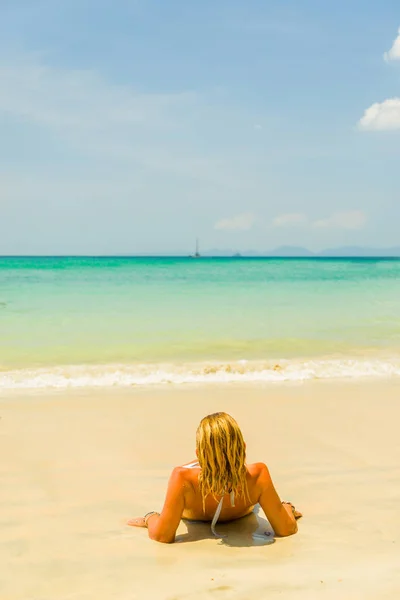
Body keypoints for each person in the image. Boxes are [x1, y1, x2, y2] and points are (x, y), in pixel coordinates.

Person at [128, 412, 302, 543]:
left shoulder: (182, 478)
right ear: (243, 447)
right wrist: (287, 508)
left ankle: (212, 457)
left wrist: (149, 517)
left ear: (198, 453)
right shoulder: (258, 474)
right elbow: (286, 529)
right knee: (237, 472)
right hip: (242, 498)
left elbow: (162, 535)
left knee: (200, 468)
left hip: (197, 489)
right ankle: (225, 457)